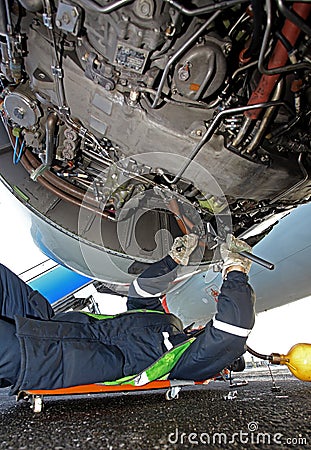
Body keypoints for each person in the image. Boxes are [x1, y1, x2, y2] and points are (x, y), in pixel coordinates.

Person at [0, 234, 255, 394]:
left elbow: (233, 329)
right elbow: (141, 295)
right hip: (47, 323)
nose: (202, 328)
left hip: (48, 359)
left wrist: (236, 269)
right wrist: (172, 262)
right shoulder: (169, 325)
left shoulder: (189, 363)